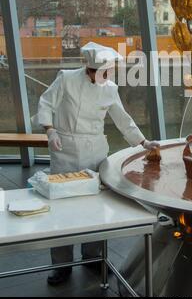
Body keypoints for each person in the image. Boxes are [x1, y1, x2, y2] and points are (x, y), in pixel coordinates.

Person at [33, 42, 160, 285]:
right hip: (66, 149)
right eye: (100, 73)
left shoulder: (110, 88)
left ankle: (93, 257)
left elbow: (122, 118)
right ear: (88, 69)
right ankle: (62, 265)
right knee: (63, 208)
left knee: (94, 207)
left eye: (108, 72)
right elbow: (46, 103)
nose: (105, 77)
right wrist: (50, 130)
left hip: (95, 151)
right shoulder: (66, 79)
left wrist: (143, 142)